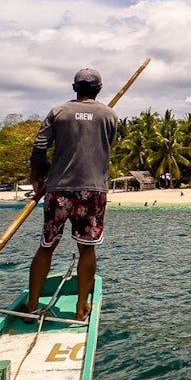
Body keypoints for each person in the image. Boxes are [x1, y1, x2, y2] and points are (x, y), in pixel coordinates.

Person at [24, 68, 118, 322]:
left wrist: (37, 176)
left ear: (75, 88)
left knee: (47, 246)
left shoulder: (58, 112)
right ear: (99, 89)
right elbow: (108, 146)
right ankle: (80, 308)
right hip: (93, 189)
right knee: (87, 249)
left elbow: (40, 146)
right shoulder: (110, 115)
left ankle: (31, 305)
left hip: (58, 189)